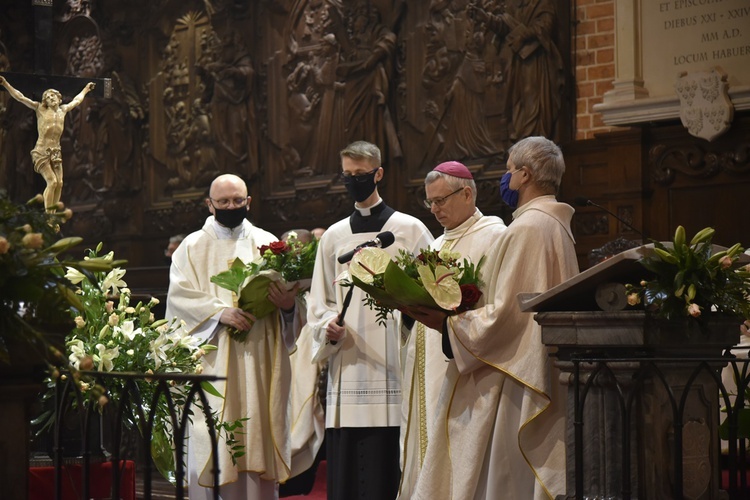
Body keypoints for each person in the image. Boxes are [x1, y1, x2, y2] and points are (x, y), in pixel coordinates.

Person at [408, 136, 579, 499]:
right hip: (529, 362)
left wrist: (448, 325)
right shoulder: (555, 225)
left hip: (513, 374)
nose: (506, 180)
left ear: (525, 175)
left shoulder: (526, 228)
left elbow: (505, 315)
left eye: (508, 172)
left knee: (501, 476)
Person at [306, 141, 433, 500]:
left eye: (360, 175)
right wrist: (327, 326)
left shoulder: (409, 229)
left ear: (378, 174)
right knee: (348, 466)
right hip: (348, 363)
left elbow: (434, 291)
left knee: (389, 459)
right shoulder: (333, 236)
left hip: (393, 359)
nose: (352, 182)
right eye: (347, 176)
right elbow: (319, 301)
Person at [165, 174, 304, 500]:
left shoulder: (268, 243)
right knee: (214, 436)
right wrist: (217, 313)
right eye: (223, 202)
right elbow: (178, 299)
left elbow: (292, 309)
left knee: (256, 433)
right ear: (209, 204)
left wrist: (288, 306)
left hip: (260, 360)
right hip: (213, 359)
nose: (230, 207)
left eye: (237, 201)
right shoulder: (192, 247)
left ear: (248, 202)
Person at [397, 161, 508, 499]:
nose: (435, 210)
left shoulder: (494, 236)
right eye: (430, 202)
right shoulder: (434, 246)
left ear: (467, 193)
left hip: (465, 367)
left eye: (441, 200)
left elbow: (496, 305)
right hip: (426, 363)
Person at [0, 76, 96, 212]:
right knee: (52, 182)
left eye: (53, 96)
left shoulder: (63, 110)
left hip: (56, 151)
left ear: (59, 98)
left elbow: (77, 100)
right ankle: (48, 215)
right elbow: (20, 97)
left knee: (60, 183)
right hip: (41, 151)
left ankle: (54, 214)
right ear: (45, 101)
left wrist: (86, 89)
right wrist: (5, 84)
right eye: (48, 97)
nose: (51, 99)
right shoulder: (40, 109)